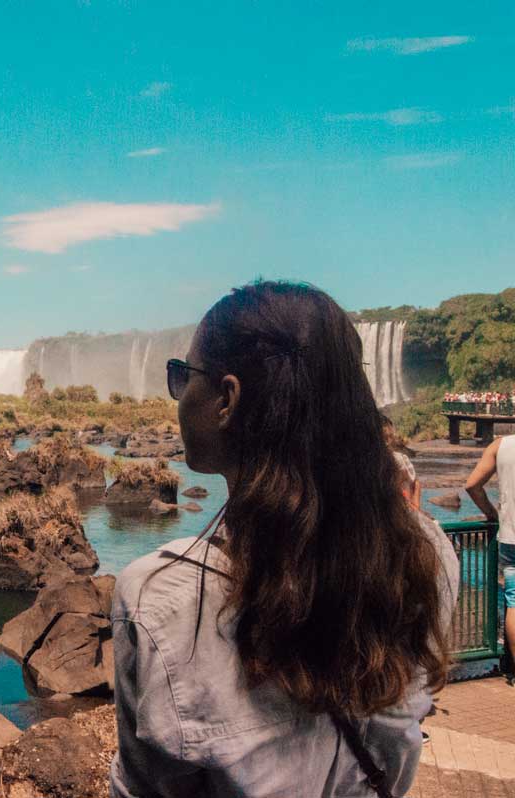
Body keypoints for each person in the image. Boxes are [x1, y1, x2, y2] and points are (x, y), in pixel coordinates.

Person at [110, 281, 459, 798]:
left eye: (182, 377)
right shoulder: (428, 558)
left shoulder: (159, 598)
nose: (179, 396)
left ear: (226, 399)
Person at [464, 434, 515, 678]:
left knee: (514, 603)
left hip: (510, 538)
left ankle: (512, 668)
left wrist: (491, 513)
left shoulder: (500, 445)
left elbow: (472, 485)